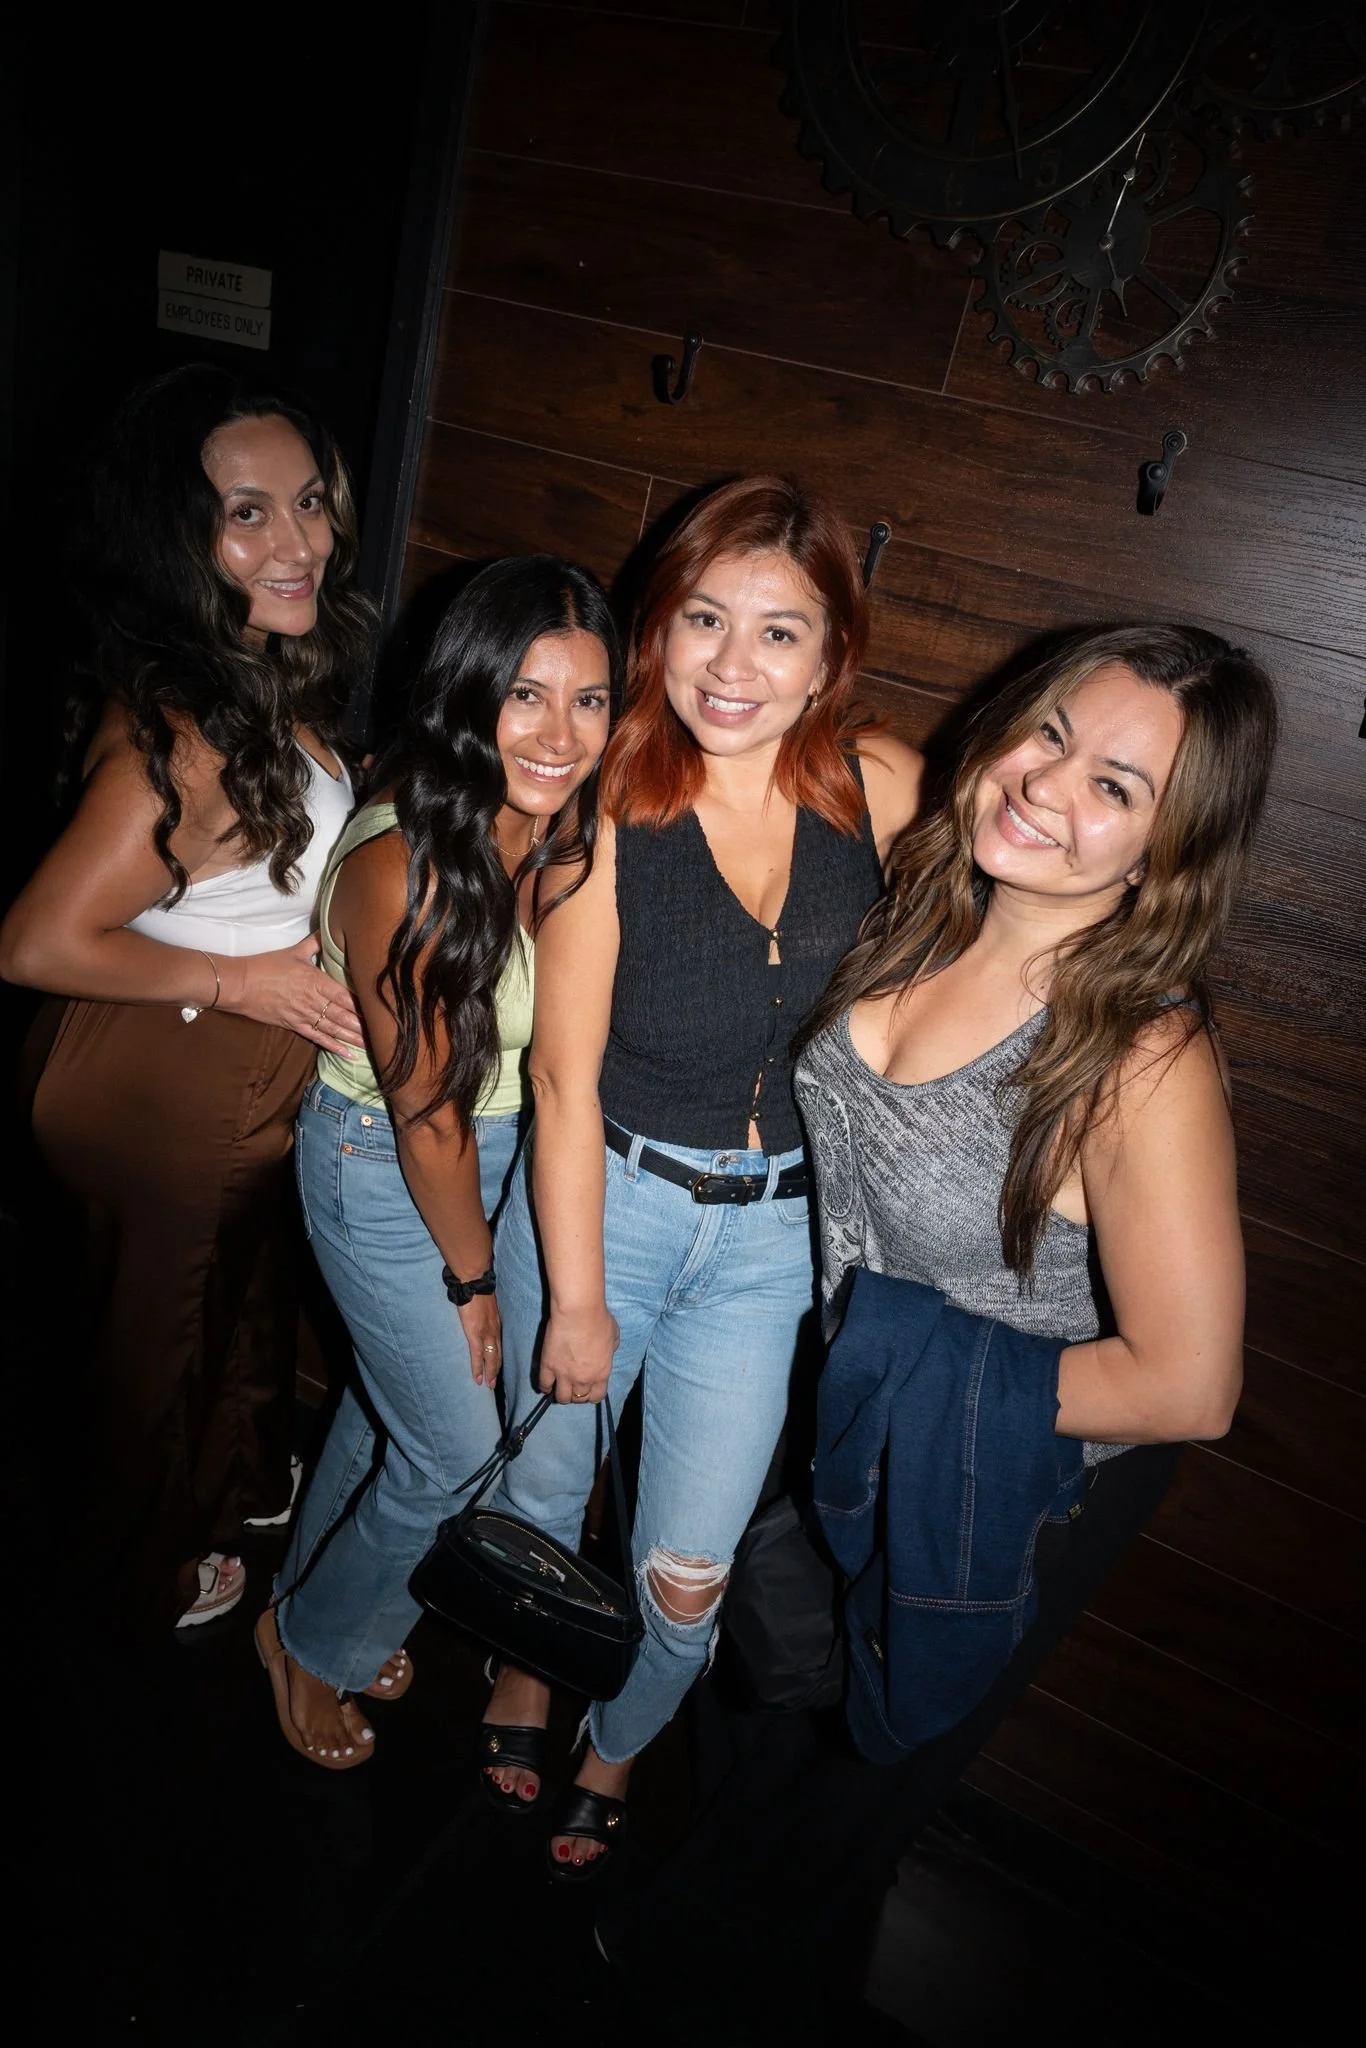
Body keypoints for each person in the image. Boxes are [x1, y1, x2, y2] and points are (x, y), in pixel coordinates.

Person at [597, 622, 1278, 2042]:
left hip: (1002, 1464)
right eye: (1045, 737)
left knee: (845, 1801)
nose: (1047, 789)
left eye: (1117, 786)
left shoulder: (1133, 1051)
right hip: (843, 1412)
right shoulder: (928, 887)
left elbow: (1190, 1383)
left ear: (1166, 850)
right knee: (761, 1712)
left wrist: (889, 1386)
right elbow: (799, 719)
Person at [483, 477, 923, 1866]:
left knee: (690, 1565)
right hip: (601, 1200)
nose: (734, 666)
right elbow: (558, 1076)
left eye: (778, 633)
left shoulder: (882, 787)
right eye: (703, 621)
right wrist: (569, 1296)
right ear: (655, 628)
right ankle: (525, 1666)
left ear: (830, 653)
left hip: (770, 1244)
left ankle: (618, 1742)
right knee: (541, 1496)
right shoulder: (606, 805)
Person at [0, 364, 373, 1635]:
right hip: (170, 1059)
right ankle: (136, 1573)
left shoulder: (245, 672)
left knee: (223, 1297)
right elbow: (37, 939)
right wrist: (245, 974)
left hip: (222, 1050)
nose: (298, 540)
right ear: (182, 535)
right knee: (149, 1347)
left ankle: (223, 1491)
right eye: (248, 512)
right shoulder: (190, 726)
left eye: (309, 501)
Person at [256, 557, 620, 1769]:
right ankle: (310, 1642)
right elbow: (430, 1119)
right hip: (385, 1162)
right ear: (468, 691)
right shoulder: (406, 859)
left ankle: (324, 1596)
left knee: (395, 1408)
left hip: (493, 1154)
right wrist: (472, 1281)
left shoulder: (551, 819)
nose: (560, 733)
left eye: (589, 699)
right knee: (458, 1449)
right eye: (527, 695)